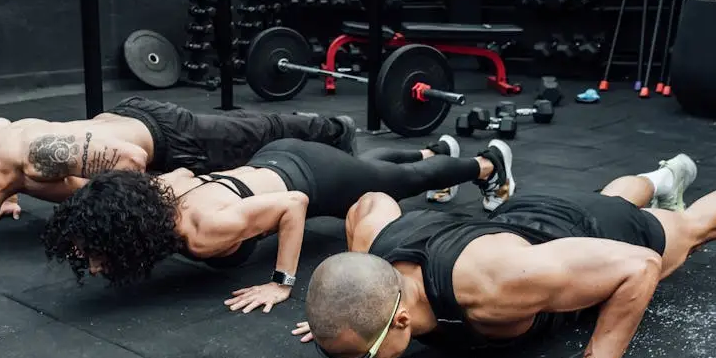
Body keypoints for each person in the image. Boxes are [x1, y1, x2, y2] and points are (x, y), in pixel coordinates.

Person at [293, 155, 716, 358]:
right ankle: (665, 174)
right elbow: (370, 201)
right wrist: (337, 317)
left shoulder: (493, 287)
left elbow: (640, 268)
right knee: (607, 195)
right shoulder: (375, 253)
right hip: (529, 225)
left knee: (690, 231)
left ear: (400, 320)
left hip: (597, 234)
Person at [41, 137, 517, 314]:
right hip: (274, 159)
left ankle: (485, 164)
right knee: (371, 168)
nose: (97, 267)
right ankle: (434, 150)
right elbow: (184, 174)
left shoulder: (204, 231)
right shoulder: (160, 192)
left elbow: (294, 205)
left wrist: (281, 283)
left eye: (100, 254)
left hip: (309, 178)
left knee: (396, 183)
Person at [0, 97, 357, 226]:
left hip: (166, 139)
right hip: (132, 122)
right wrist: (6, 196)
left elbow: (130, 159)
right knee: (243, 126)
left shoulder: (36, 158)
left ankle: (336, 129)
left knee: (257, 133)